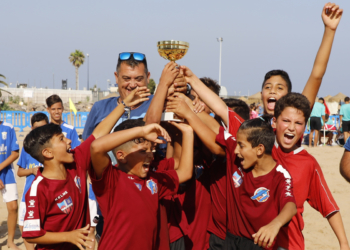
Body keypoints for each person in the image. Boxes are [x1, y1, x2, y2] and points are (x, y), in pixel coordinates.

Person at [21, 87, 147, 249]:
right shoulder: (38, 189)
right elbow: (32, 235)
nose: (68, 141)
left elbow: (99, 134)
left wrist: (124, 105)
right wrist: (69, 236)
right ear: (47, 152)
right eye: (61, 139)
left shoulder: (76, 161)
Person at [89, 116, 194, 249]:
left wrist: (188, 133)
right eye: (143, 151)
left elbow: (185, 172)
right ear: (121, 156)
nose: (150, 155)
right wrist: (141, 131)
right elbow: (96, 147)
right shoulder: (111, 179)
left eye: (151, 150)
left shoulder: (153, 180)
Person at [272, 93, 350, 250]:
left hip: (289, 245)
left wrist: (343, 243)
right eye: (286, 121)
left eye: (298, 123)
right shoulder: (259, 149)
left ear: (305, 125)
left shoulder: (308, 164)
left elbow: (328, 206)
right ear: (274, 122)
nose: (291, 127)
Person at [260, 3, 343, 116]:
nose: (272, 91)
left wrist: (330, 30)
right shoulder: (250, 128)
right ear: (261, 94)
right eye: (268, 87)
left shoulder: (295, 118)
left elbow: (316, 75)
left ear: (289, 96)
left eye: (280, 87)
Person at [17, 113, 48, 250]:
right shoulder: (27, 147)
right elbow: (20, 172)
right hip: (28, 196)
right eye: (36, 128)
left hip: (47, 197)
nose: (39, 131)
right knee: (24, 228)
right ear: (31, 128)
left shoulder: (54, 147)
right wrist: (32, 171)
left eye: (43, 128)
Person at [0, 112, 20, 250]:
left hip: (7, 173)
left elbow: (15, 153)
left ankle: (10, 242)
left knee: (13, 207)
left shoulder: (8, 127)